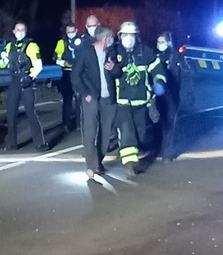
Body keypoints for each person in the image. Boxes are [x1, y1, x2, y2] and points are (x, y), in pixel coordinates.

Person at [111, 20, 166, 177]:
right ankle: (130, 163)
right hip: (122, 101)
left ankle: (138, 150)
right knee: (127, 131)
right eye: (125, 35)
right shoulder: (114, 52)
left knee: (141, 133)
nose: (129, 38)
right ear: (120, 36)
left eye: (132, 35)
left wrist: (159, 81)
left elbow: (157, 69)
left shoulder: (145, 52)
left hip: (141, 101)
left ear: (137, 36)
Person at [73, 24, 117, 180]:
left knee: (106, 134)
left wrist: (114, 68)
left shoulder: (111, 53)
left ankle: (98, 161)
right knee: (90, 131)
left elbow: (119, 72)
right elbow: (76, 75)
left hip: (108, 99)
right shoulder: (85, 52)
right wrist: (85, 93)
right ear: (105, 39)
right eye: (111, 37)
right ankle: (90, 166)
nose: (113, 40)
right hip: (91, 98)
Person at [0, 21, 49, 151]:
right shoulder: (9, 46)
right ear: (13, 32)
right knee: (11, 113)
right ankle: (11, 143)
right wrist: (0, 57)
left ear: (26, 32)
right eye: (17, 30)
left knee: (30, 112)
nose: (19, 32)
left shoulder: (31, 46)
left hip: (27, 81)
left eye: (22, 30)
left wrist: (30, 78)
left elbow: (38, 66)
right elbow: (3, 65)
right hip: (14, 80)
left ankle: (40, 143)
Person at [153, 32, 183, 161]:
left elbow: (183, 76)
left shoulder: (176, 56)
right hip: (158, 94)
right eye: (158, 42)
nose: (160, 44)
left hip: (172, 93)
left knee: (169, 123)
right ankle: (158, 149)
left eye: (162, 42)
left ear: (168, 42)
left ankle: (167, 154)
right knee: (158, 122)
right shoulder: (154, 55)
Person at [53, 22, 84, 132]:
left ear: (76, 31)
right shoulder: (62, 43)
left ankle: (80, 124)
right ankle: (66, 124)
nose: (70, 34)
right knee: (67, 100)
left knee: (80, 99)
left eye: (72, 31)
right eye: (68, 32)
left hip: (80, 74)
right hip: (66, 74)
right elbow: (56, 57)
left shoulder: (82, 41)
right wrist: (63, 63)